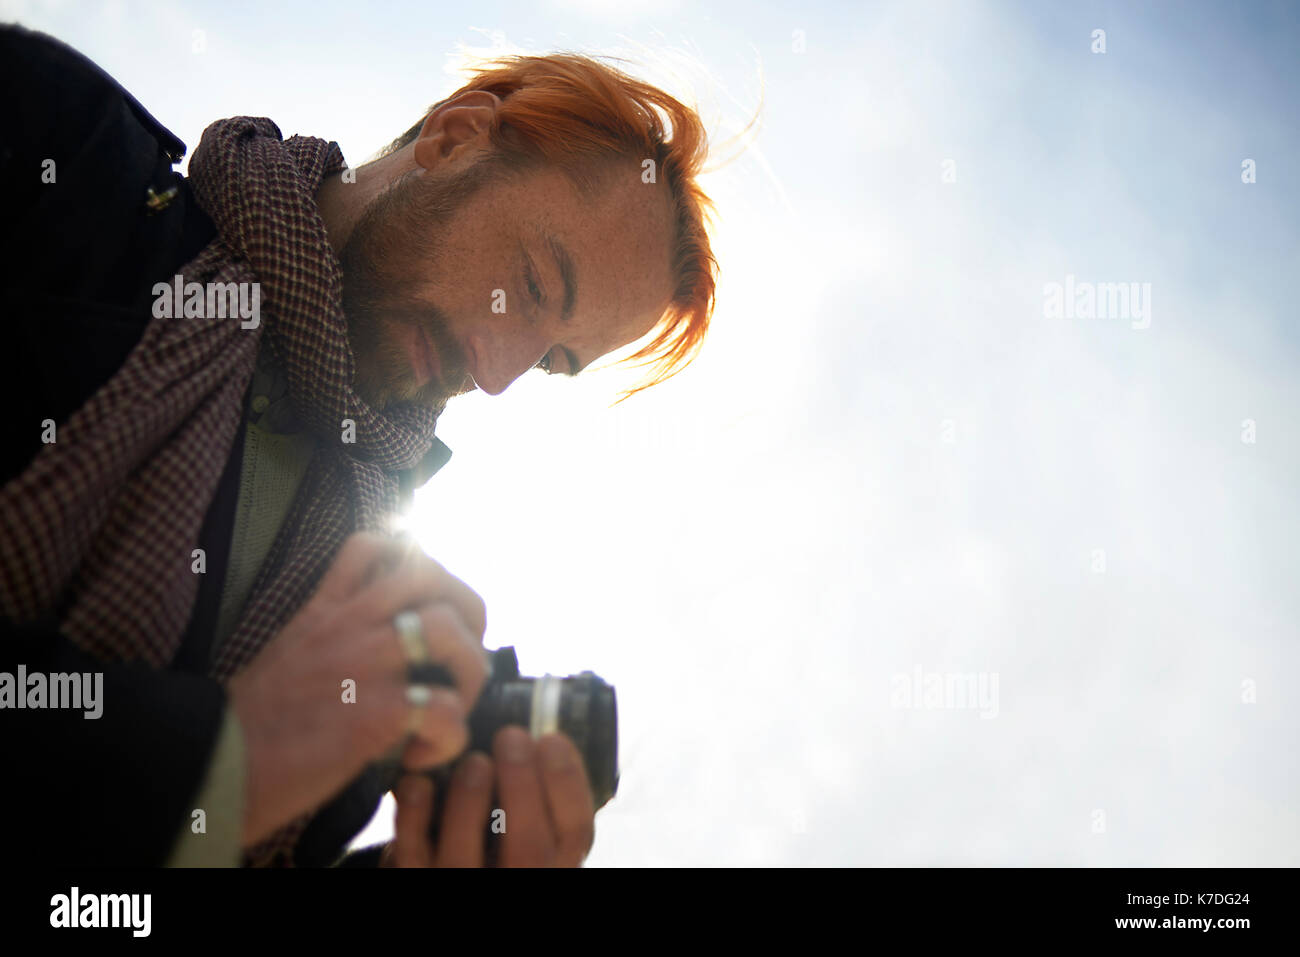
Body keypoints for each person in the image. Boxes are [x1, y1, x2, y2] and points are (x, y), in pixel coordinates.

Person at [0, 23, 718, 867]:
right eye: (530, 285)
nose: (497, 374)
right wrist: (232, 759)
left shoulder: (369, 630)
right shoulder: (57, 147)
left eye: (551, 361)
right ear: (454, 139)